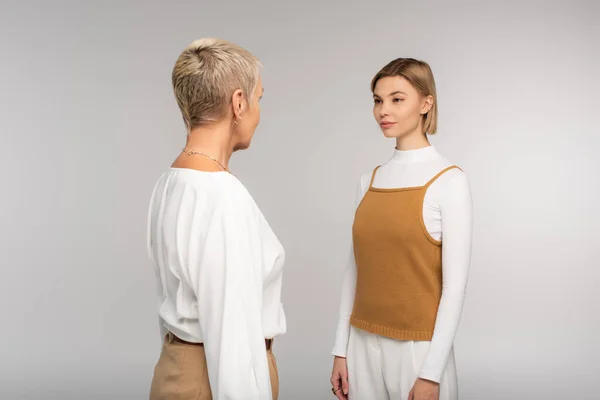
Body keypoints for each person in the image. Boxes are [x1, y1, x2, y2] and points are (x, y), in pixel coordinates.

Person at [146, 38, 284, 400]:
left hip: (177, 370)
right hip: (213, 381)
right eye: (259, 99)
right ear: (238, 103)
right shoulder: (222, 195)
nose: (258, 111)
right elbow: (232, 336)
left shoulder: (170, 182)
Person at [330, 58, 473, 400]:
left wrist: (431, 372)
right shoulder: (368, 181)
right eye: (378, 100)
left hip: (418, 350)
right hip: (362, 344)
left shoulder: (450, 182)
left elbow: (454, 288)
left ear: (426, 103)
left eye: (397, 99)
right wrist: (341, 349)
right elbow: (355, 271)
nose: (383, 110)